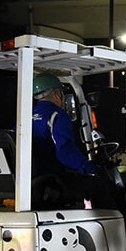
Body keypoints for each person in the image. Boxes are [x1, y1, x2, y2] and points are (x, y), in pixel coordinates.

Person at [31, 73, 112, 209]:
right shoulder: (57, 115)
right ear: (58, 95)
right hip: (52, 181)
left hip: (34, 181)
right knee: (99, 183)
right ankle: (116, 227)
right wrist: (88, 168)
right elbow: (65, 151)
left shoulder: (25, 117)